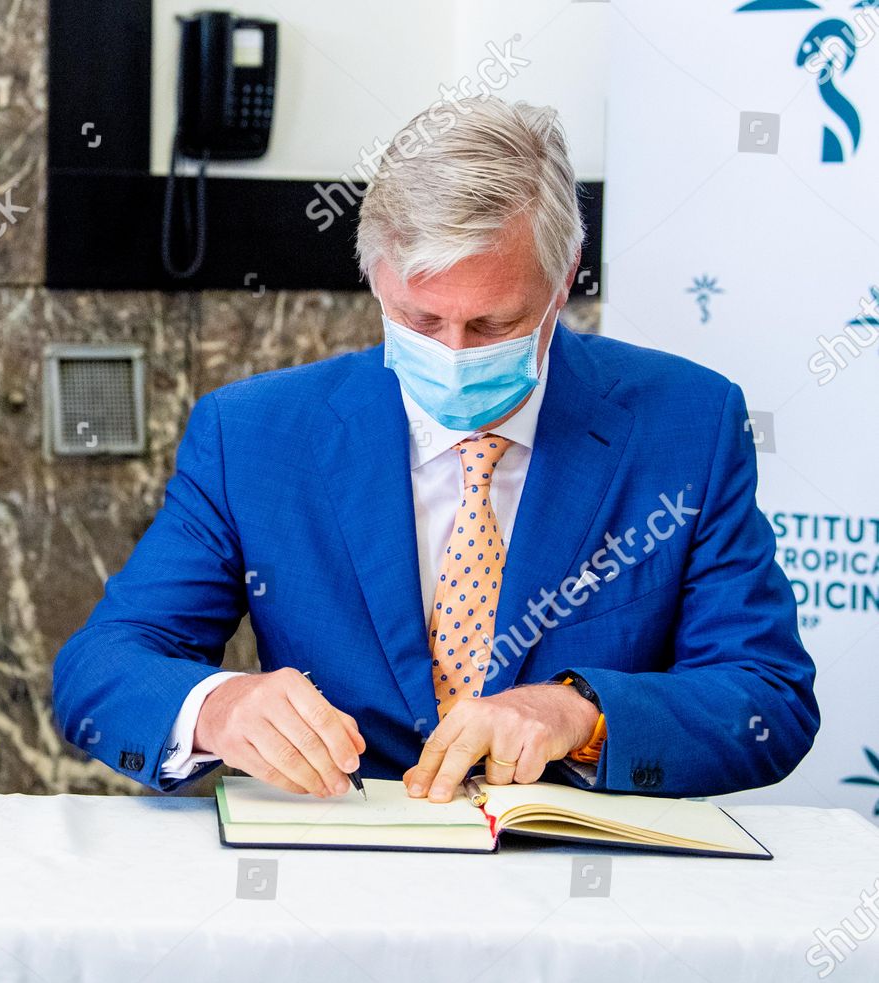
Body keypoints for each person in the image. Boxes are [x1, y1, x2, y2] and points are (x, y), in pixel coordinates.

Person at [54, 97, 817, 803]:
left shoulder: (687, 424)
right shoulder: (255, 434)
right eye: (420, 321)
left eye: (492, 326)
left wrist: (583, 714)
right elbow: (102, 668)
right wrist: (218, 707)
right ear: (375, 281)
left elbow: (766, 694)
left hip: (585, 885)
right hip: (341, 863)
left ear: (563, 281)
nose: (454, 352)